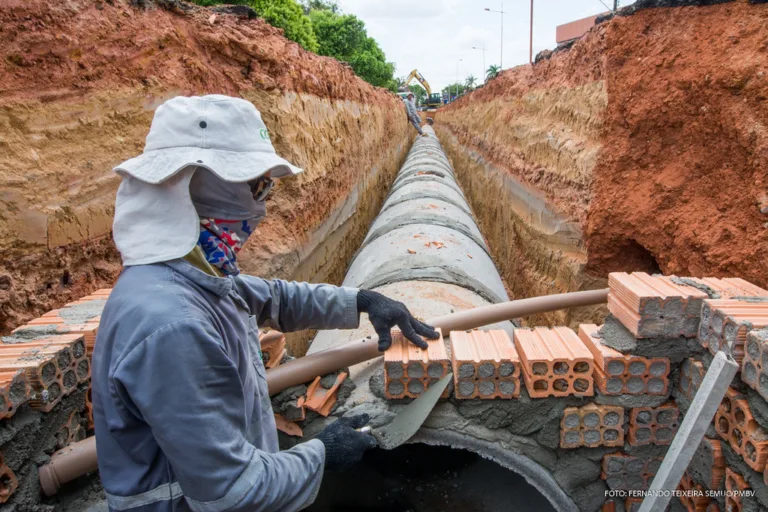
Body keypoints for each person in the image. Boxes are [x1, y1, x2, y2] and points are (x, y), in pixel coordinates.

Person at [91, 95, 439, 512]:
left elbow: (275, 297)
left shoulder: (191, 276)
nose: (262, 205)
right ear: (197, 189)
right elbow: (232, 493)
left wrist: (363, 301)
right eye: (257, 187)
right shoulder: (171, 324)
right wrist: (322, 454)